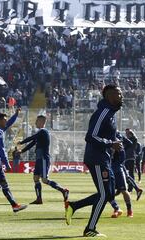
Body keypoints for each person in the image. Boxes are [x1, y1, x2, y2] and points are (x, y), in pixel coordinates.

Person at [65, 84, 123, 237]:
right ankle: (90, 228)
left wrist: (116, 141)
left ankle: (74, 206)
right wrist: (111, 143)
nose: (121, 96)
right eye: (119, 93)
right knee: (104, 194)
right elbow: (90, 136)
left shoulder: (110, 113)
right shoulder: (103, 112)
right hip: (96, 158)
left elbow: (106, 135)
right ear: (110, 96)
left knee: (109, 194)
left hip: (105, 158)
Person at [19, 115, 69, 204]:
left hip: (43, 159)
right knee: (35, 178)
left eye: (37, 121)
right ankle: (39, 199)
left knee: (45, 180)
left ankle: (63, 190)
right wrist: (22, 151)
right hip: (39, 159)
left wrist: (21, 142)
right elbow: (32, 143)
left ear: (42, 122)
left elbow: (32, 138)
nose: (35, 123)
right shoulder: (40, 133)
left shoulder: (43, 131)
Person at [109, 132, 134, 218]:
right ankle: (116, 209)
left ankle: (129, 210)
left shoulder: (120, 148)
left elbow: (121, 160)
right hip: (110, 169)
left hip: (118, 170)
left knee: (124, 190)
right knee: (110, 192)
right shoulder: (110, 144)